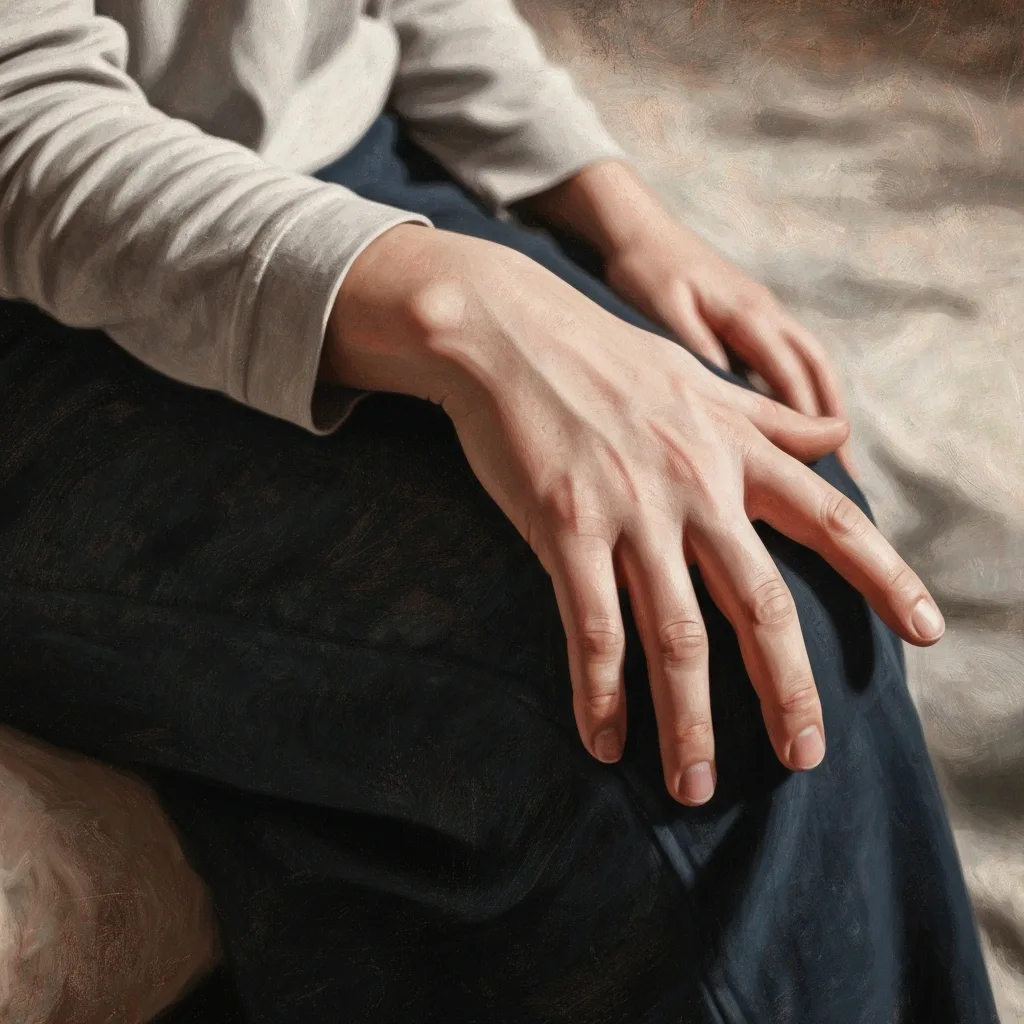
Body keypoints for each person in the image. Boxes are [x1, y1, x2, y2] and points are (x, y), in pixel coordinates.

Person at [0, 1, 999, 1021]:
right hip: (38, 289)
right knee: (687, 687)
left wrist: (616, 209)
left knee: (793, 549)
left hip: (326, 170)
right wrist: (471, 313)